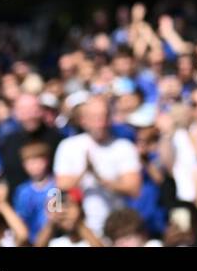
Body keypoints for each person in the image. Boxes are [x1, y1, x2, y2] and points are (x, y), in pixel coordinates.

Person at [52, 93, 143, 237]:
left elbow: (134, 189)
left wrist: (101, 180)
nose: (100, 123)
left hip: (116, 227)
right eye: (94, 118)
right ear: (83, 120)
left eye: (104, 117)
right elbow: (59, 189)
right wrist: (85, 172)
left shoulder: (124, 147)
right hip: (80, 229)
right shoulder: (68, 146)